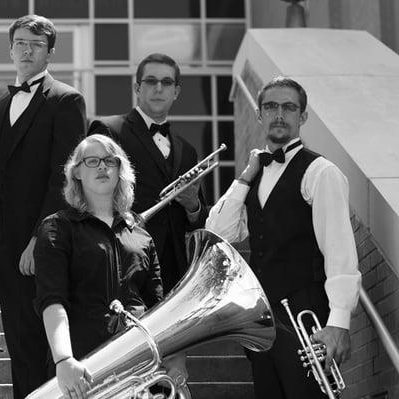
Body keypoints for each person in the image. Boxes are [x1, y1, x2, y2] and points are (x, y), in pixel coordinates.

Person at [205, 76, 361, 399]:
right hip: (262, 325)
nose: (279, 114)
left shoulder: (321, 172)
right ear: (259, 115)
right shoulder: (254, 176)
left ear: (303, 117)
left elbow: (339, 250)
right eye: (271, 106)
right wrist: (246, 177)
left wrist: (339, 322)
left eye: (289, 107)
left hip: (309, 319)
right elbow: (218, 232)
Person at [0, 14, 87, 398]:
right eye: (20, 43)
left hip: (30, 243)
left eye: (36, 44)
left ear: (50, 52)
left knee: (28, 345)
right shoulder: (2, 102)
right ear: (10, 50)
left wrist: (40, 241)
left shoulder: (66, 100)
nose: (27, 50)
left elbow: (65, 178)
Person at [33, 134, 164, 398]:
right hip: (81, 367)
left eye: (109, 161)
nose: (102, 167)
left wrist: (174, 357)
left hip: (138, 367)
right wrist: (63, 359)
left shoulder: (141, 235)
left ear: (120, 171)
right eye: (92, 161)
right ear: (77, 172)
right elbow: (52, 300)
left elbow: (158, 306)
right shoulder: (58, 228)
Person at [88, 53, 208, 295]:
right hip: (122, 256)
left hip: (173, 269)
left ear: (176, 92)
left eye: (166, 83)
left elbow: (199, 218)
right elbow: (90, 193)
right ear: (137, 88)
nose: (159, 88)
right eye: (151, 81)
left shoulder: (187, 150)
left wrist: (193, 206)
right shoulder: (109, 129)